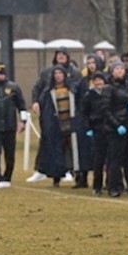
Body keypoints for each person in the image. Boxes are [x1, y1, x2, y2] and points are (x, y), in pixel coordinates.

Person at [27, 48, 81, 183]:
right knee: (48, 143)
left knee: (69, 144)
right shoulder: (46, 73)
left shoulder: (75, 73)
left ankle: (69, 170)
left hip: (69, 116)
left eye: (64, 55)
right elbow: (38, 87)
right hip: (51, 114)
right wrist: (35, 101)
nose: (61, 57)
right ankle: (42, 170)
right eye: (59, 55)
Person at [102, 61, 128, 197]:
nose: (120, 71)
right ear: (112, 72)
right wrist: (116, 125)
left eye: (121, 68)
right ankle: (113, 187)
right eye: (117, 69)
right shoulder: (108, 88)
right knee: (115, 160)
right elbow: (106, 110)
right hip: (115, 129)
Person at [36, 65, 80, 187]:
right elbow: (44, 109)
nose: (58, 76)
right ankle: (56, 178)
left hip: (71, 124)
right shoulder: (48, 91)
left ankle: (78, 177)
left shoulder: (73, 89)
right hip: (56, 125)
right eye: (55, 73)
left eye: (60, 73)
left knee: (74, 151)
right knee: (56, 151)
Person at [80, 71, 108, 195]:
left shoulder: (108, 93)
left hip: (110, 128)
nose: (98, 83)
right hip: (97, 129)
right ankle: (97, 186)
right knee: (98, 159)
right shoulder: (89, 96)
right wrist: (88, 128)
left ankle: (112, 184)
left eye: (100, 80)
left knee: (112, 159)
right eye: (96, 80)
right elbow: (84, 113)